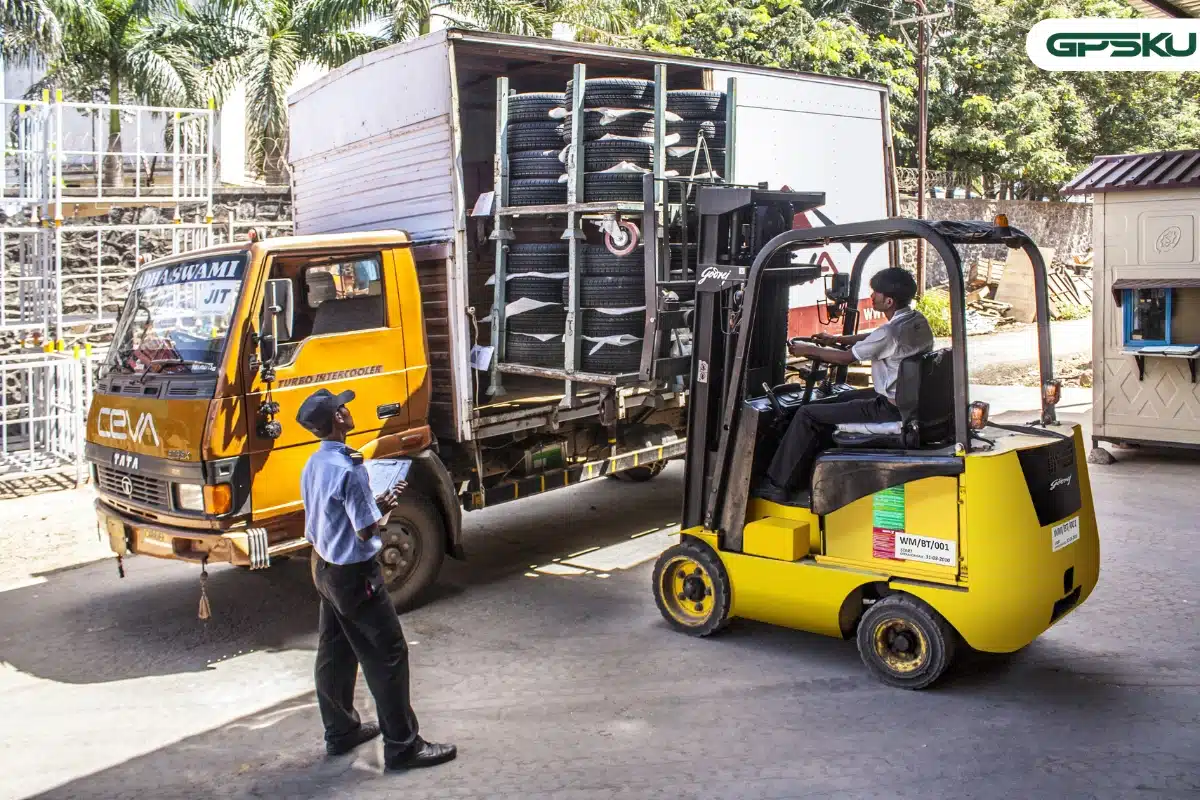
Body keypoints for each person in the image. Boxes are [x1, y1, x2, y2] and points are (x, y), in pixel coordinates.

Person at [297, 387, 457, 771]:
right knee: (388, 655)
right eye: (343, 407)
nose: (349, 410)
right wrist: (382, 508)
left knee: (334, 652)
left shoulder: (315, 463)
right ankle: (403, 747)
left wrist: (375, 504)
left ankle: (340, 732)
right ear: (337, 420)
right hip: (355, 576)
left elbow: (332, 515)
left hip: (323, 569)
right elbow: (367, 531)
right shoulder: (350, 470)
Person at [757, 267, 934, 503]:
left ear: (888, 300)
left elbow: (845, 358)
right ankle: (808, 467)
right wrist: (837, 339)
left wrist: (808, 349)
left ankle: (777, 485)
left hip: (889, 408)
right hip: (905, 398)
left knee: (807, 413)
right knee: (834, 400)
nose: (872, 297)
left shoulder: (890, 332)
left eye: (876, 293)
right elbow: (875, 337)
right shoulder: (914, 320)